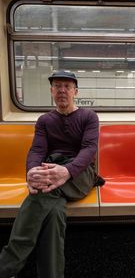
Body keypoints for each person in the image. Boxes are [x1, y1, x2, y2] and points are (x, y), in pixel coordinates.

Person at [0, 70, 100, 278]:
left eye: (67, 87)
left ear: (75, 92)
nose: (62, 90)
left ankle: (7, 266)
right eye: (57, 86)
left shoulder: (89, 117)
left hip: (81, 174)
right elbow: (37, 150)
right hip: (52, 168)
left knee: (41, 192)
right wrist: (32, 172)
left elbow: (89, 149)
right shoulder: (45, 120)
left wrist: (67, 172)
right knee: (54, 213)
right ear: (51, 91)